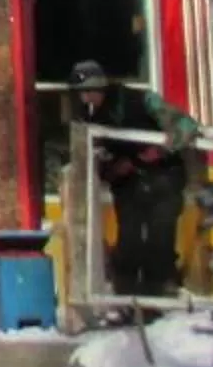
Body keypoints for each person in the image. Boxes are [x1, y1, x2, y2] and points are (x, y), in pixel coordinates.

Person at [71, 60, 199, 298]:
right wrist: (112, 170)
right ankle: (127, 297)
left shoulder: (142, 101)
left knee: (160, 236)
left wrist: (160, 150)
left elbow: (187, 126)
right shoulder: (88, 121)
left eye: (91, 91)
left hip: (164, 175)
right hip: (129, 184)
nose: (88, 98)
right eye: (83, 93)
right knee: (129, 241)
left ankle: (160, 294)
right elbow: (94, 163)